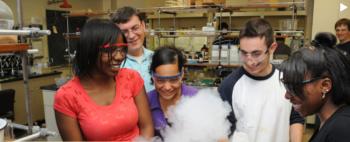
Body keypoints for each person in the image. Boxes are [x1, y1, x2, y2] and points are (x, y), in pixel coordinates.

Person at [54, 18, 153, 141]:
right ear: (90, 51)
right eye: (110, 50)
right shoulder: (67, 96)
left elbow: (147, 126)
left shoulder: (131, 78)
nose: (119, 56)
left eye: (122, 48)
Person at [218, 18, 304, 142]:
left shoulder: (286, 79)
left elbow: (295, 118)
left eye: (256, 54)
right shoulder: (229, 86)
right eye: (244, 53)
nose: (249, 61)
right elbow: (221, 132)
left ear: (272, 48)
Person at [280, 32, 350, 142]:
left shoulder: (341, 130)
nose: (287, 95)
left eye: (295, 86)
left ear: (325, 85)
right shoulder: (328, 121)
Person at [147, 46, 198, 138]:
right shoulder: (146, 102)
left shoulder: (196, 99)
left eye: (173, 80)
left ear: (182, 74)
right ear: (153, 76)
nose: (167, 87)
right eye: (160, 80)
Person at [111, 6, 155, 93]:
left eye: (135, 28)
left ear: (143, 25)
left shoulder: (155, 58)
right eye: (124, 32)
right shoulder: (114, 64)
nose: (131, 36)